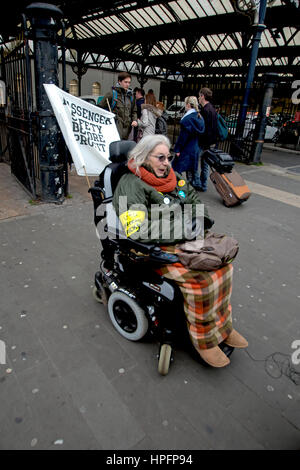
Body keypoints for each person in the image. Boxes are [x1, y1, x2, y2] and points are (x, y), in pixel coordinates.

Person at [112, 135, 248, 368]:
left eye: (169, 157)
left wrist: (200, 220)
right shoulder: (130, 184)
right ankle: (204, 340)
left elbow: (193, 200)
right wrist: (184, 228)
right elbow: (136, 229)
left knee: (224, 267)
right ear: (144, 158)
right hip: (156, 248)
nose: (167, 163)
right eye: (161, 158)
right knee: (202, 279)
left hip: (186, 239)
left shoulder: (174, 179)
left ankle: (223, 328)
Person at [172, 96, 205, 188]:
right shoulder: (200, 118)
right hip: (194, 147)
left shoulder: (186, 119)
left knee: (176, 169)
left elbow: (183, 137)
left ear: (188, 105)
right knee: (191, 170)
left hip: (185, 148)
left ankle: (177, 187)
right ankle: (190, 187)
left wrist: (177, 149)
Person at [98, 71, 138, 140]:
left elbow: (134, 111)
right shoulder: (111, 94)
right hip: (114, 130)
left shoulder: (131, 96)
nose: (128, 84)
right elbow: (99, 108)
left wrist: (135, 120)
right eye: (125, 82)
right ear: (119, 81)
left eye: (129, 82)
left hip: (127, 132)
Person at [195, 87, 218, 192]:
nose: (198, 98)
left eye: (199, 96)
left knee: (194, 162)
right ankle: (203, 185)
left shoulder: (205, 110)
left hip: (203, 142)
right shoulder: (212, 109)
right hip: (210, 142)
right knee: (205, 165)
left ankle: (197, 183)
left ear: (202, 96)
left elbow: (203, 128)